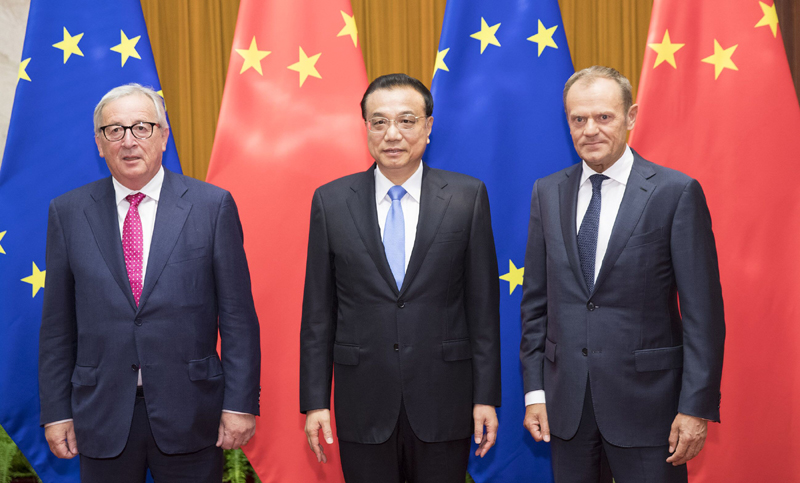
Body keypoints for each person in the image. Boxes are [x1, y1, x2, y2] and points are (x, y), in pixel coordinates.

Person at [38, 83, 261, 482]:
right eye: (115, 130)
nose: (129, 141)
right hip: (101, 413)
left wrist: (239, 404)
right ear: (99, 143)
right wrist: (56, 412)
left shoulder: (211, 207)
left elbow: (238, 318)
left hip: (191, 411)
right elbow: (57, 326)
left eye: (142, 127)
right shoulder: (68, 213)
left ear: (163, 136)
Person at [519, 66, 725, 483]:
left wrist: (695, 407)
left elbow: (703, 315)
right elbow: (536, 304)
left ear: (630, 117)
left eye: (604, 117)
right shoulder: (547, 192)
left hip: (651, 408)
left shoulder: (675, 192)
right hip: (567, 408)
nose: (590, 130)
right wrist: (535, 392)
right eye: (578, 119)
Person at [300, 73, 501, 483]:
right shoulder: (331, 202)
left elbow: (483, 311)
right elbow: (318, 314)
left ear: (428, 126)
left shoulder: (467, 197)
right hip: (363, 402)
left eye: (406, 121)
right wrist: (316, 402)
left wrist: (485, 398)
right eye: (379, 122)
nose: (392, 134)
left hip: (444, 399)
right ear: (366, 128)